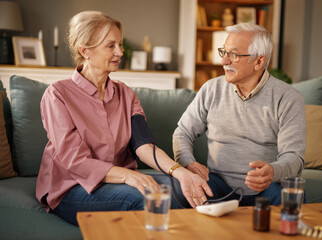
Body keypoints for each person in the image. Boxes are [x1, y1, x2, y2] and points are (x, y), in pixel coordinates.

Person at [36, 11, 212, 226]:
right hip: (72, 187)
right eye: (111, 46)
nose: (120, 52)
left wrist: (181, 173)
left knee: (179, 188)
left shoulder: (126, 94)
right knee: (142, 199)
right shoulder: (58, 94)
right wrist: (128, 176)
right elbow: (75, 162)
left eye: (120, 44)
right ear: (85, 50)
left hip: (119, 181)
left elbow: (143, 145)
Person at [173, 23, 306, 206]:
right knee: (187, 189)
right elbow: (183, 133)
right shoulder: (211, 89)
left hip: (267, 187)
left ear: (259, 61)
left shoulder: (288, 98)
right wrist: (188, 163)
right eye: (224, 52)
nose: (224, 61)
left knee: (291, 195)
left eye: (233, 55)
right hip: (217, 184)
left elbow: (294, 158)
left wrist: (273, 171)